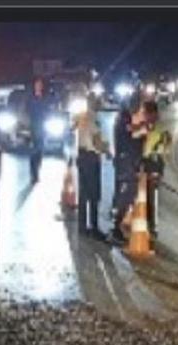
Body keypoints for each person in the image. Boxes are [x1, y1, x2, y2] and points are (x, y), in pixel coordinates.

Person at [73, 94, 111, 238]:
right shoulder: (92, 118)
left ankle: (82, 227)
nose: (100, 104)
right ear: (94, 103)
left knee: (83, 194)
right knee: (94, 194)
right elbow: (96, 141)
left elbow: (73, 126)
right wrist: (107, 151)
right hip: (90, 158)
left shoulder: (81, 115)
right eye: (98, 102)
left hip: (81, 156)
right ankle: (94, 228)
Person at [109, 99, 144, 246]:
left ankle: (117, 222)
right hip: (126, 162)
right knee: (128, 194)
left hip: (125, 161)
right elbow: (130, 139)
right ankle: (116, 229)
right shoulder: (124, 120)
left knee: (124, 194)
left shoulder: (123, 119)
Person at [139, 99, 172, 239]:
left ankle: (151, 226)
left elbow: (164, 148)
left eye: (145, 113)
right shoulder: (148, 126)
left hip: (153, 164)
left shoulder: (159, 128)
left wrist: (157, 170)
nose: (143, 115)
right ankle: (146, 223)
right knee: (144, 197)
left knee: (151, 197)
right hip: (148, 163)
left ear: (152, 113)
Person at [27, 77, 48, 184]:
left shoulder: (44, 98)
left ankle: (37, 172)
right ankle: (33, 175)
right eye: (37, 84)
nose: (39, 86)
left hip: (42, 128)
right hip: (34, 128)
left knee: (40, 152)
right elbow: (28, 112)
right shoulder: (31, 98)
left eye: (40, 85)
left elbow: (47, 111)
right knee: (34, 152)